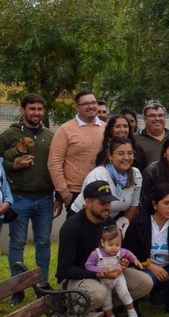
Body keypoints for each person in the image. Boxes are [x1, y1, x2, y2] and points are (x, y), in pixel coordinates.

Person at [57, 180, 153, 314]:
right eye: (102, 203)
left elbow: (117, 251)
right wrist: (97, 274)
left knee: (145, 283)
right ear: (88, 202)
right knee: (99, 294)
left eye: (109, 202)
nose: (107, 207)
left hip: (108, 273)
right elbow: (64, 270)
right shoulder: (72, 227)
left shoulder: (108, 222)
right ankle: (79, 308)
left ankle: (105, 307)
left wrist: (122, 261)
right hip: (79, 277)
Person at [0, 93, 58, 299]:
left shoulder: (50, 136)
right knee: (17, 244)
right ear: (22, 110)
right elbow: (0, 164)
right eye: (32, 109)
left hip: (45, 198)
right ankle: (17, 289)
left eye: (39, 109)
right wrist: (13, 165)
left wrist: (59, 196)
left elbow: (57, 165)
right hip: (19, 198)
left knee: (43, 242)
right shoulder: (9, 134)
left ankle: (43, 284)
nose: (36, 113)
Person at [125, 183, 169, 313]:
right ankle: (135, 303)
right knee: (148, 280)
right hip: (143, 266)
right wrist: (149, 265)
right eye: (166, 203)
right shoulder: (139, 222)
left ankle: (167, 294)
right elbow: (129, 251)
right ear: (155, 204)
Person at [48, 90, 105, 214]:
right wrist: (65, 194)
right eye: (85, 104)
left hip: (102, 190)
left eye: (93, 102)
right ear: (77, 107)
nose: (91, 106)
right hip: (75, 193)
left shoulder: (106, 128)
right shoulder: (65, 130)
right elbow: (54, 163)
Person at [72, 137, 143, 225]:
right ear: (110, 155)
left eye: (130, 153)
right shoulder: (99, 175)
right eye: (121, 153)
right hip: (84, 220)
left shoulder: (136, 174)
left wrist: (124, 221)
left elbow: (134, 204)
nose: (126, 157)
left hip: (110, 220)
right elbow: (88, 208)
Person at [85, 223, 143, 317]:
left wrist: (134, 259)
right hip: (104, 281)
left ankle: (131, 311)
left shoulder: (120, 251)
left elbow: (128, 253)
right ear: (102, 243)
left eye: (117, 244)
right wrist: (99, 269)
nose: (114, 248)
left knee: (124, 293)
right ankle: (110, 315)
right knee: (107, 301)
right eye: (110, 244)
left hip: (118, 278)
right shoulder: (96, 254)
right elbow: (88, 266)